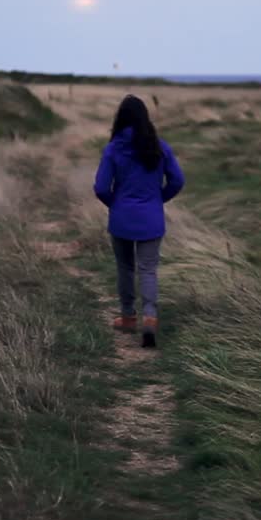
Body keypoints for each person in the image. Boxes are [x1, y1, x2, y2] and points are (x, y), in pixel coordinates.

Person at [94, 95, 185, 347]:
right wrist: (158, 200)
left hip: (122, 219)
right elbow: (177, 180)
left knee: (125, 268)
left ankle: (128, 317)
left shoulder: (113, 148)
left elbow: (101, 187)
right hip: (151, 219)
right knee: (148, 269)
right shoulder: (160, 146)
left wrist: (116, 204)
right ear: (146, 117)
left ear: (120, 119)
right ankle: (150, 319)